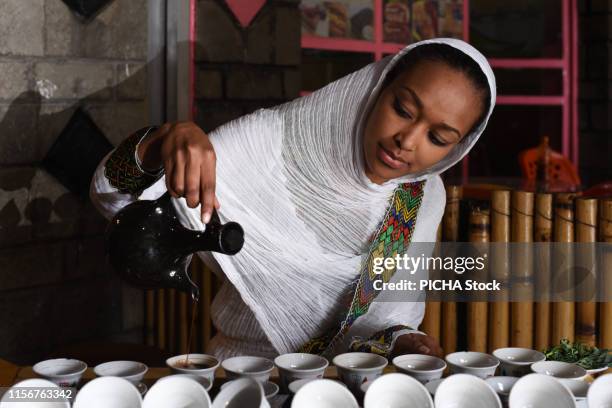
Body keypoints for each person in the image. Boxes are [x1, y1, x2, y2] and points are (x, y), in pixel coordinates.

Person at [90, 38, 496, 361]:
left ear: (457, 149)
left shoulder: (419, 200)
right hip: (240, 378)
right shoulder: (269, 144)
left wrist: (403, 342)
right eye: (403, 109)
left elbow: (388, 321)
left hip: (344, 388)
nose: (407, 141)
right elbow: (112, 199)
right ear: (377, 87)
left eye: (438, 138)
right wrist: (164, 140)